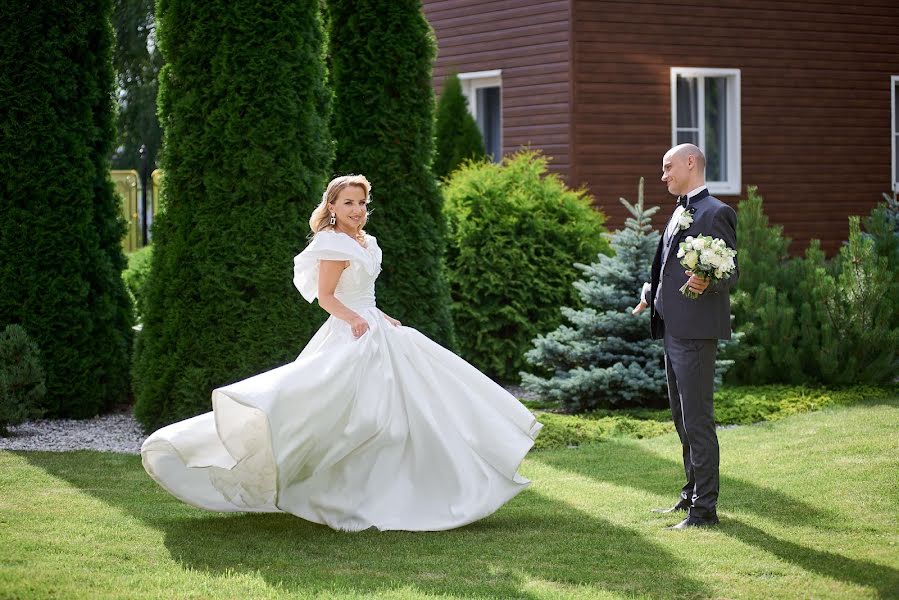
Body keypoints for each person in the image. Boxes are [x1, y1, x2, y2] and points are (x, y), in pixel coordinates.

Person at [141, 174, 542, 532]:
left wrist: (381, 317)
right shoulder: (332, 243)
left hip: (374, 326)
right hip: (350, 330)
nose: (357, 210)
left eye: (362, 202)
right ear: (331, 206)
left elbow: (365, 293)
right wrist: (355, 321)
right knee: (349, 415)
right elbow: (328, 296)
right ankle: (334, 490)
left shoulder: (368, 242)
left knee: (412, 409)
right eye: (348, 202)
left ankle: (411, 489)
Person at [632, 144, 737, 529]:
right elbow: (667, 269)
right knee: (681, 418)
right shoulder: (678, 211)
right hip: (671, 329)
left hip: (695, 333)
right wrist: (650, 294)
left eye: (667, 167)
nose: (663, 176)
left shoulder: (716, 212)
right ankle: (689, 495)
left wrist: (708, 279)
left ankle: (704, 510)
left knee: (697, 420)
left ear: (690, 163)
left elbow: (731, 272)